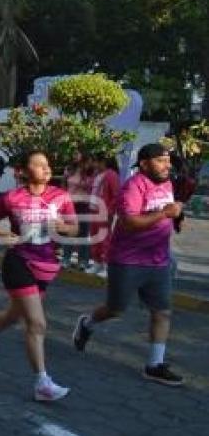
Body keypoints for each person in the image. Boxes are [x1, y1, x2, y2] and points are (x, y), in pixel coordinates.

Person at [0, 150, 78, 401]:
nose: (46, 169)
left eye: (47, 165)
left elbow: (73, 228)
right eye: (39, 165)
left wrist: (63, 227)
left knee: (15, 314)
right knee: (36, 323)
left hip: (47, 265)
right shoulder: (12, 197)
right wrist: (5, 236)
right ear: (24, 171)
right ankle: (42, 383)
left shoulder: (60, 197)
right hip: (18, 263)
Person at [73, 143, 185, 386]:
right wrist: (165, 213)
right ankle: (87, 324)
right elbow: (130, 222)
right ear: (144, 164)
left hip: (158, 259)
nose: (167, 165)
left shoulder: (167, 184)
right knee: (115, 309)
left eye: (168, 161)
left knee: (162, 311)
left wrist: (176, 217)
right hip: (128, 260)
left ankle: (154, 365)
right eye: (161, 161)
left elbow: (168, 212)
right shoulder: (132, 187)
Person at [87, 154, 120, 276]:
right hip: (94, 210)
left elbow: (116, 195)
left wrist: (110, 212)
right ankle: (97, 263)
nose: (95, 165)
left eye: (96, 162)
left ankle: (107, 266)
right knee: (95, 237)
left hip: (104, 212)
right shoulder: (97, 174)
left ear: (103, 162)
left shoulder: (111, 174)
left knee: (105, 239)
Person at [61, 154, 94, 270]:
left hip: (84, 205)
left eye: (78, 155)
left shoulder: (90, 172)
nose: (75, 157)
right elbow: (64, 185)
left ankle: (83, 261)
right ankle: (65, 259)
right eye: (74, 154)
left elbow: (93, 187)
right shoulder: (69, 169)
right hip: (71, 204)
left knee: (84, 234)